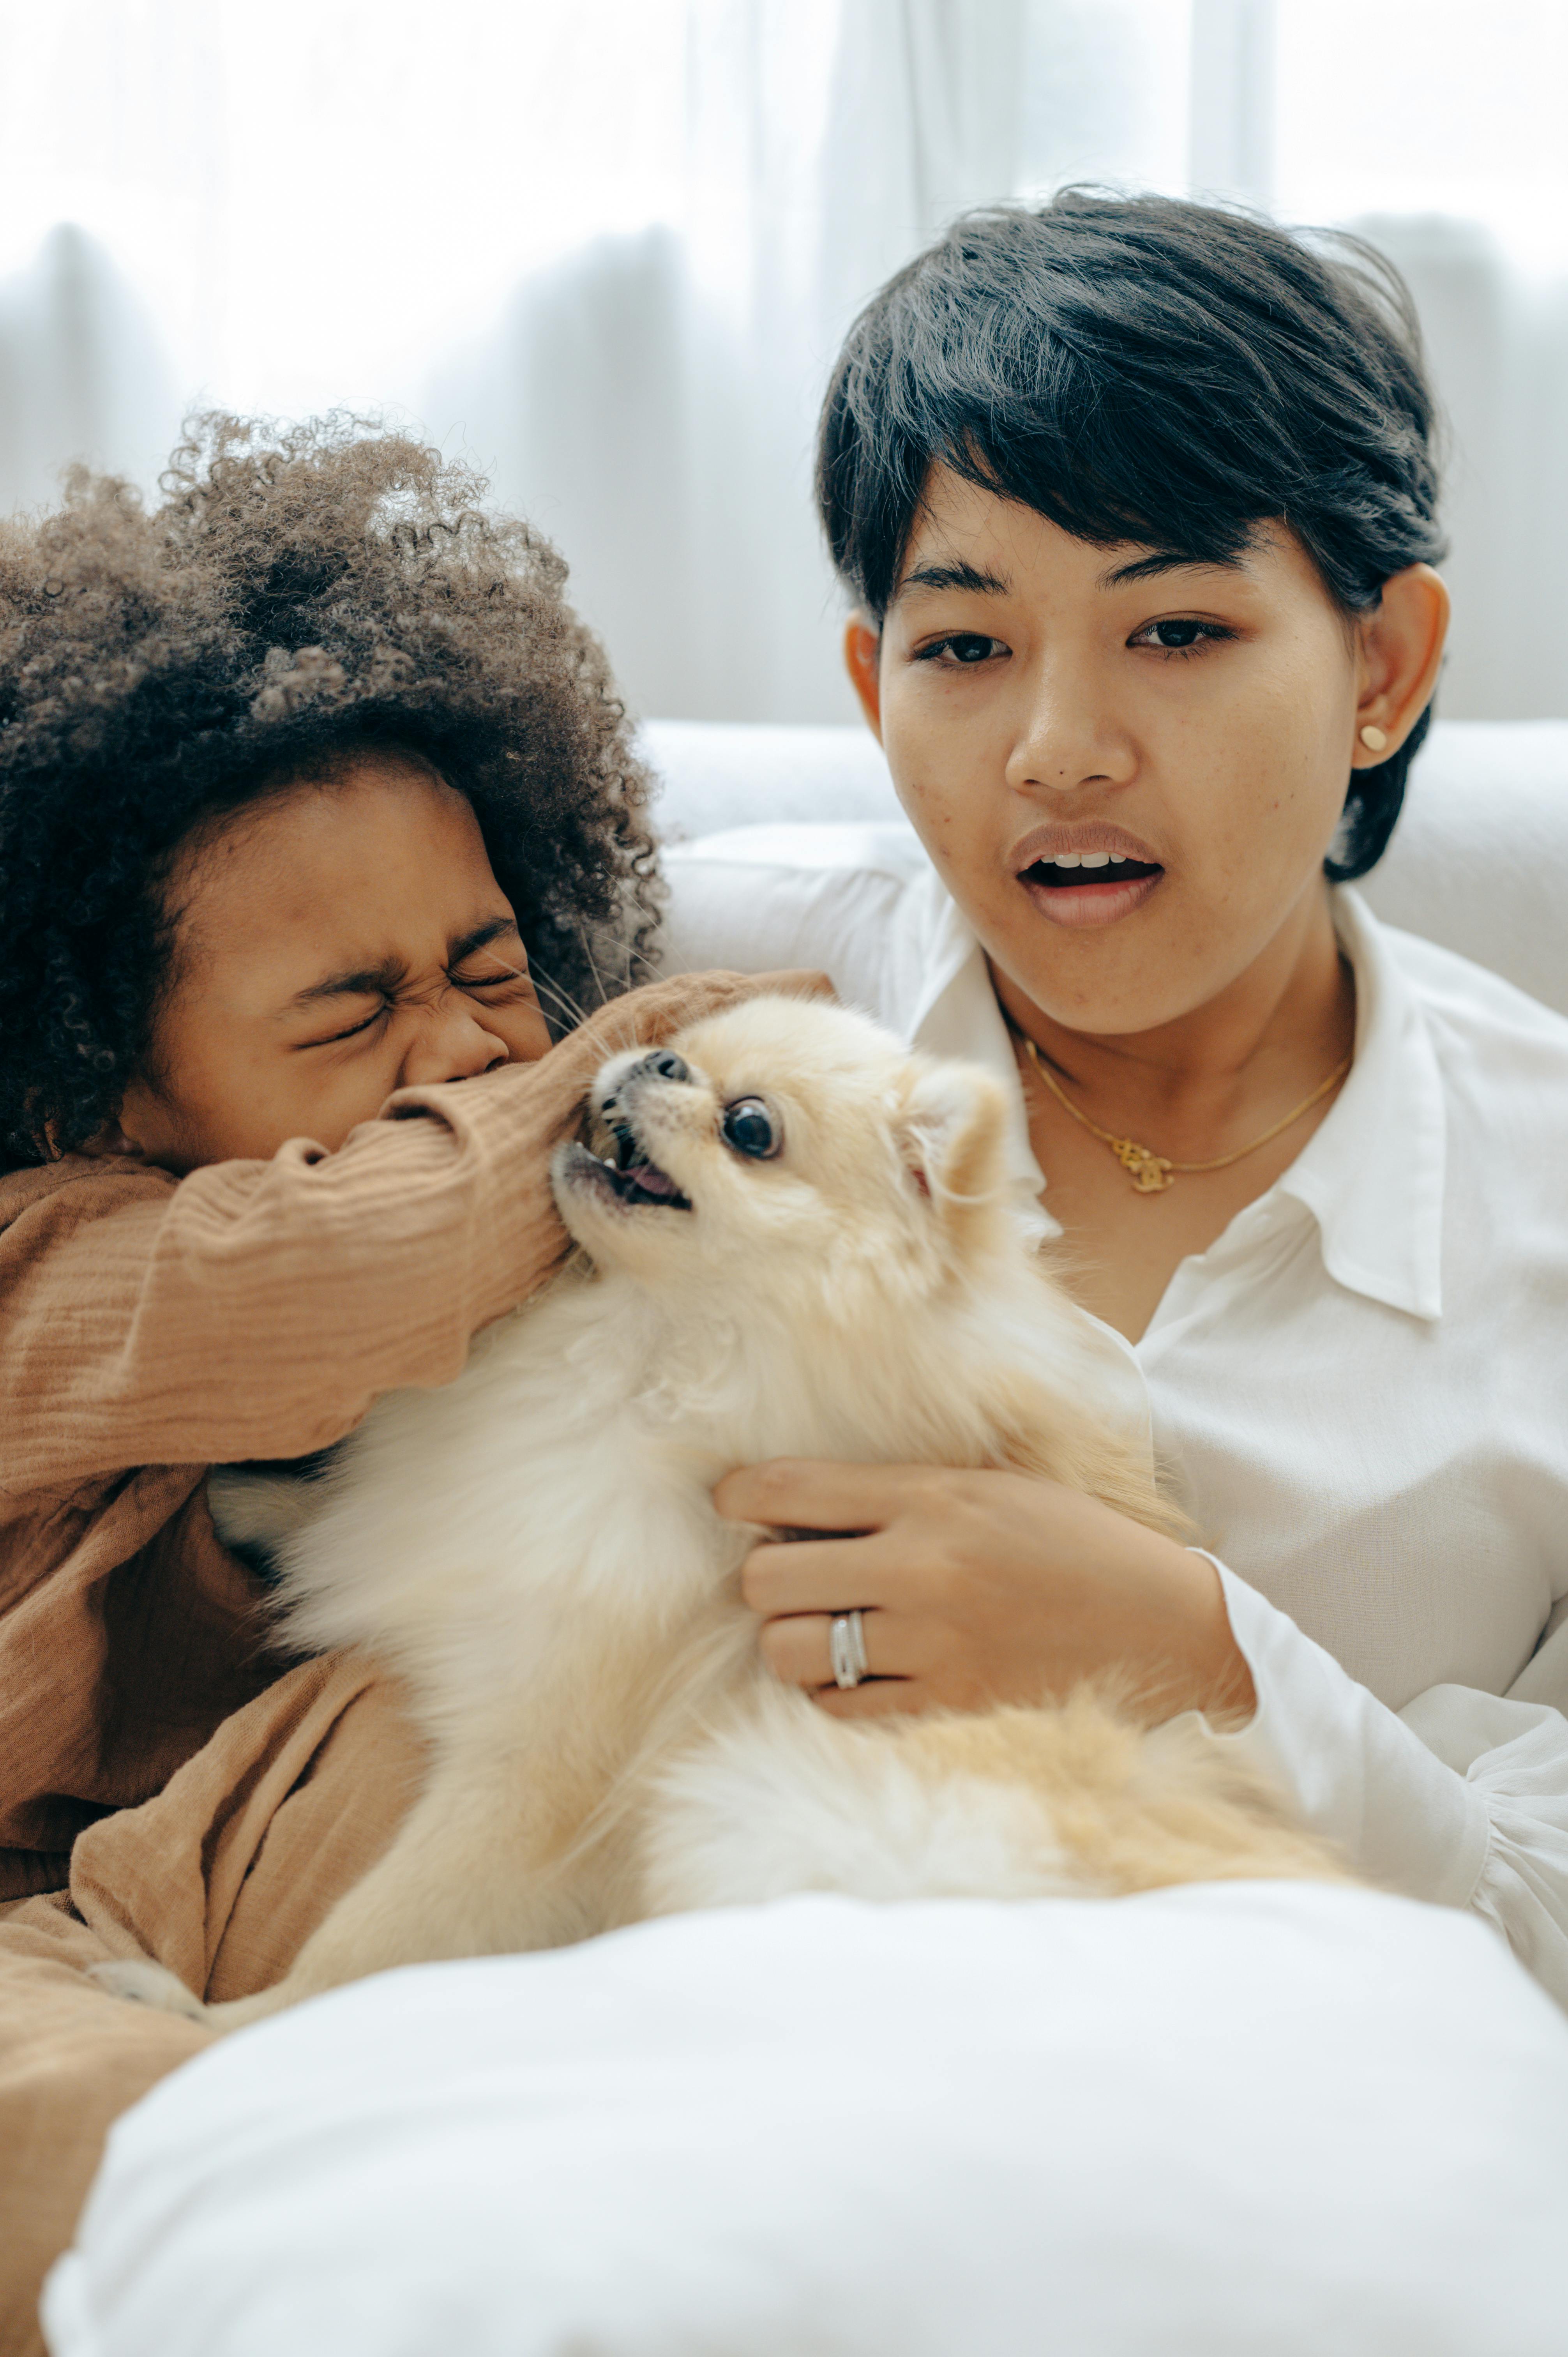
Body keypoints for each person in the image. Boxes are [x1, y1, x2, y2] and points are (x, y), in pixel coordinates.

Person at [666, 193, 1568, 1999]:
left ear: (1380, 666)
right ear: (871, 681)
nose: (1056, 746)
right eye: (965, 647)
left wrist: (1198, 1651)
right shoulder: (701, 995)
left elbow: (1542, 1927)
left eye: (1173, 631)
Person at [0, 415, 807, 2352]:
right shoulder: (60, 1268)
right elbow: (354, 1259)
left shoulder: (568, 1272)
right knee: (101, 2138)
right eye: (351, 1010)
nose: (455, 1054)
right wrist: (682, 1058)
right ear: (107, 1085)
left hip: (282, 1892)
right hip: (32, 1914)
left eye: (489, 961)